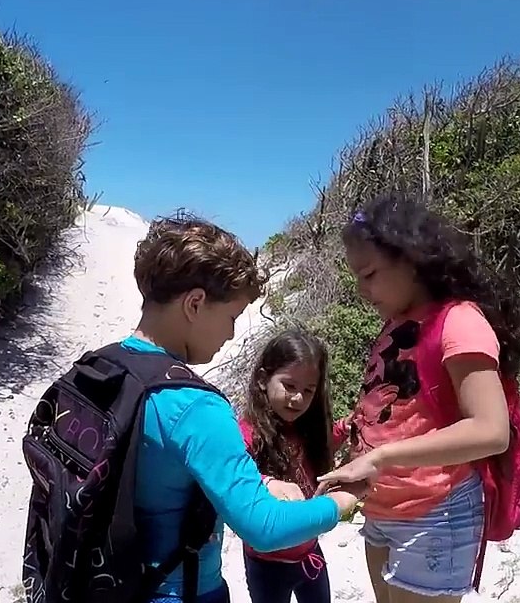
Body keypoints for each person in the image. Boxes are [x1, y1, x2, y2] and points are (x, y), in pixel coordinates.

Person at [131, 213, 364, 603]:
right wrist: (343, 499)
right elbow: (264, 527)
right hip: (179, 590)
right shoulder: (196, 407)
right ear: (195, 303)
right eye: (232, 316)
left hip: (106, 582)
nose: (232, 332)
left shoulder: (98, 370)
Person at [317, 193, 520, 603]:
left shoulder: (459, 321)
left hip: (436, 512)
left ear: (411, 260)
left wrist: (381, 458)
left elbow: (490, 430)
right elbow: (395, 409)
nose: (362, 290)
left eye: (370, 274)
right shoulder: (396, 323)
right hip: (382, 507)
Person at [238, 330, 341, 603]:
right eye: (289, 386)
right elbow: (232, 470)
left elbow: (328, 443)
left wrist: (346, 428)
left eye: (308, 391)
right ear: (263, 380)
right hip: (266, 562)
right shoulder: (250, 432)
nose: (297, 398)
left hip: (309, 553)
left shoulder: (306, 429)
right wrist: (267, 481)